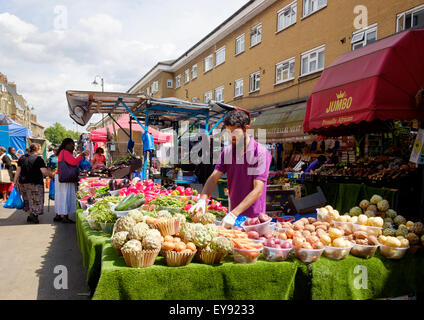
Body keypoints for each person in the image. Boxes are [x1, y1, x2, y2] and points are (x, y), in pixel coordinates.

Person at [189, 110, 272, 229]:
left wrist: (233, 214)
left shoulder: (260, 153)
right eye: (228, 132)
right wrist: (202, 200)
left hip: (254, 219)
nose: (230, 136)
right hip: (233, 215)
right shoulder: (227, 152)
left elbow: (258, 189)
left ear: (246, 129)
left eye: (234, 132)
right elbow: (213, 178)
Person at [13, 143, 53, 224]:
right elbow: (44, 171)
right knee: (36, 199)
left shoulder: (22, 158)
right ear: (37, 149)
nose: (40, 150)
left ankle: (29, 215)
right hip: (35, 183)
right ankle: (34, 215)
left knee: (26, 199)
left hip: (23, 182)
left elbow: (18, 171)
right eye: (40, 148)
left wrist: (14, 181)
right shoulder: (38, 159)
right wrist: (52, 176)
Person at [54, 138, 87, 223]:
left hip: (61, 177)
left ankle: (58, 215)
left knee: (60, 197)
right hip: (65, 178)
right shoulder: (65, 152)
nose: (73, 146)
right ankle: (65, 217)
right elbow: (74, 162)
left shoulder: (63, 152)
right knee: (65, 196)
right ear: (66, 145)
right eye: (72, 145)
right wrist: (81, 155)